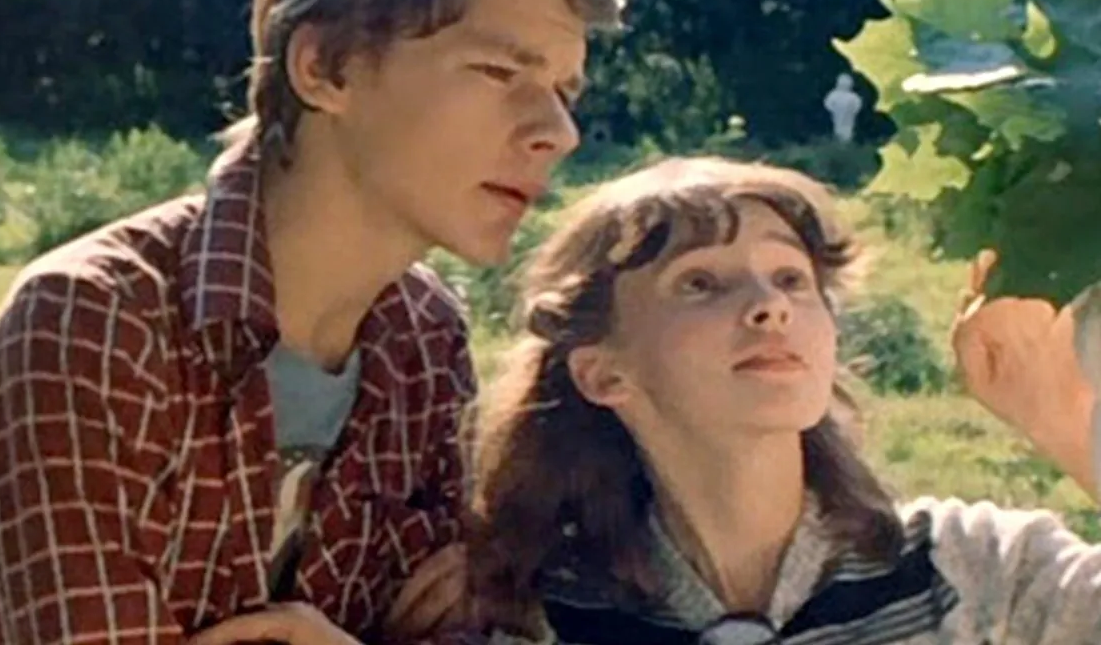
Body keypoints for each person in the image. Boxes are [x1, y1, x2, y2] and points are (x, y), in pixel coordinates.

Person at [0, 0, 626, 643]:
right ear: (324, 68)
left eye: (562, 90)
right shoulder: (94, 319)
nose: (558, 130)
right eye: (498, 73)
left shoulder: (425, 340)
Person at [466, 156, 1101, 644]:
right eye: (701, 283)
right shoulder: (537, 618)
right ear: (604, 374)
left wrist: (1073, 430)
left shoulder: (978, 572)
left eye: (792, 279)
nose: (770, 307)